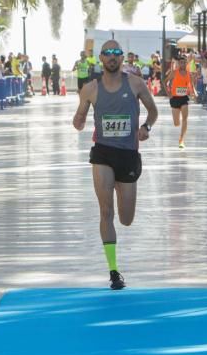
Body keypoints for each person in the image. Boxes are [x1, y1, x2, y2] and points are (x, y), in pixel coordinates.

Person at [72, 40, 158, 290]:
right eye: (107, 53)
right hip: (103, 154)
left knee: (126, 218)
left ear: (122, 59)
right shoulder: (89, 89)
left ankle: (122, 188)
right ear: (100, 58)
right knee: (106, 212)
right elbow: (79, 118)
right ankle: (113, 271)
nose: (112, 57)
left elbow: (153, 111)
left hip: (128, 155)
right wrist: (78, 121)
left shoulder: (135, 83)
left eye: (116, 53)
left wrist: (146, 127)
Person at [164, 53, 193, 148]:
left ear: (186, 64)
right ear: (178, 64)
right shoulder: (174, 73)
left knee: (185, 119)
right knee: (177, 123)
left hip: (184, 98)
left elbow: (191, 85)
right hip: (175, 98)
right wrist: (168, 93)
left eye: (184, 63)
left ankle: (181, 139)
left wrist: (193, 92)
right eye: (181, 63)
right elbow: (165, 82)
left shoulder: (189, 74)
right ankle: (178, 124)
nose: (182, 64)